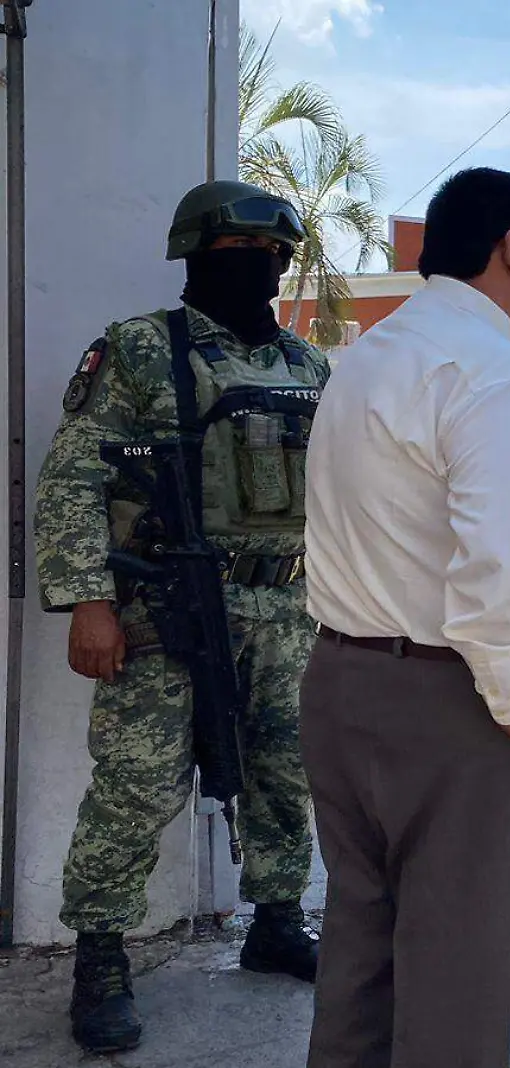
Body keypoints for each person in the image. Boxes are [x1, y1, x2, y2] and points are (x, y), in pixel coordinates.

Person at [33, 179, 325, 1053]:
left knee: (287, 769)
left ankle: (276, 920)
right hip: (166, 606)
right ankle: (101, 954)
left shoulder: (307, 367)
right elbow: (73, 481)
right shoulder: (137, 349)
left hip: (287, 603)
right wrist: (89, 601)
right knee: (137, 785)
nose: (260, 268)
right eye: (238, 254)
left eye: (273, 255)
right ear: (194, 255)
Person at [299, 167, 510, 1067]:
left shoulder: (367, 356)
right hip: (448, 702)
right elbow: (494, 557)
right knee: (458, 973)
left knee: (359, 954)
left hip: (341, 684)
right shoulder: (487, 369)